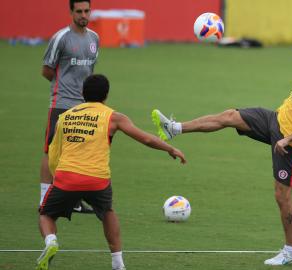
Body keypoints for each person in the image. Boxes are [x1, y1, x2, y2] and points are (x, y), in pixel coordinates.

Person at [151, 37, 292, 266]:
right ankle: (174, 129)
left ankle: (291, 251)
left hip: (290, 144)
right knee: (230, 116)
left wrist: (287, 140)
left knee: (282, 197)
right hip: (275, 120)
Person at [36, 74, 186, 270]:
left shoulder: (65, 117)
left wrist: (60, 178)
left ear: (82, 94)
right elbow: (146, 139)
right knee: (107, 213)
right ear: (106, 95)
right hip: (97, 180)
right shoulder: (113, 117)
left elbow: (54, 154)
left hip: (66, 177)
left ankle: (51, 241)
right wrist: (170, 149)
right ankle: (118, 263)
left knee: (46, 214)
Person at [40, 0, 99, 213]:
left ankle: (74, 201)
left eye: (87, 11)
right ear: (71, 12)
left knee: (77, 153)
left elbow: (89, 71)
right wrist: (63, 87)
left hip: (84, 106)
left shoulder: (94, 39)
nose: (84, 15)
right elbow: (47, 70)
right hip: (61, 104)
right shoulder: (61, 38)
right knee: (50, 152)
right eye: (79, 11)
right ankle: (44, 199)